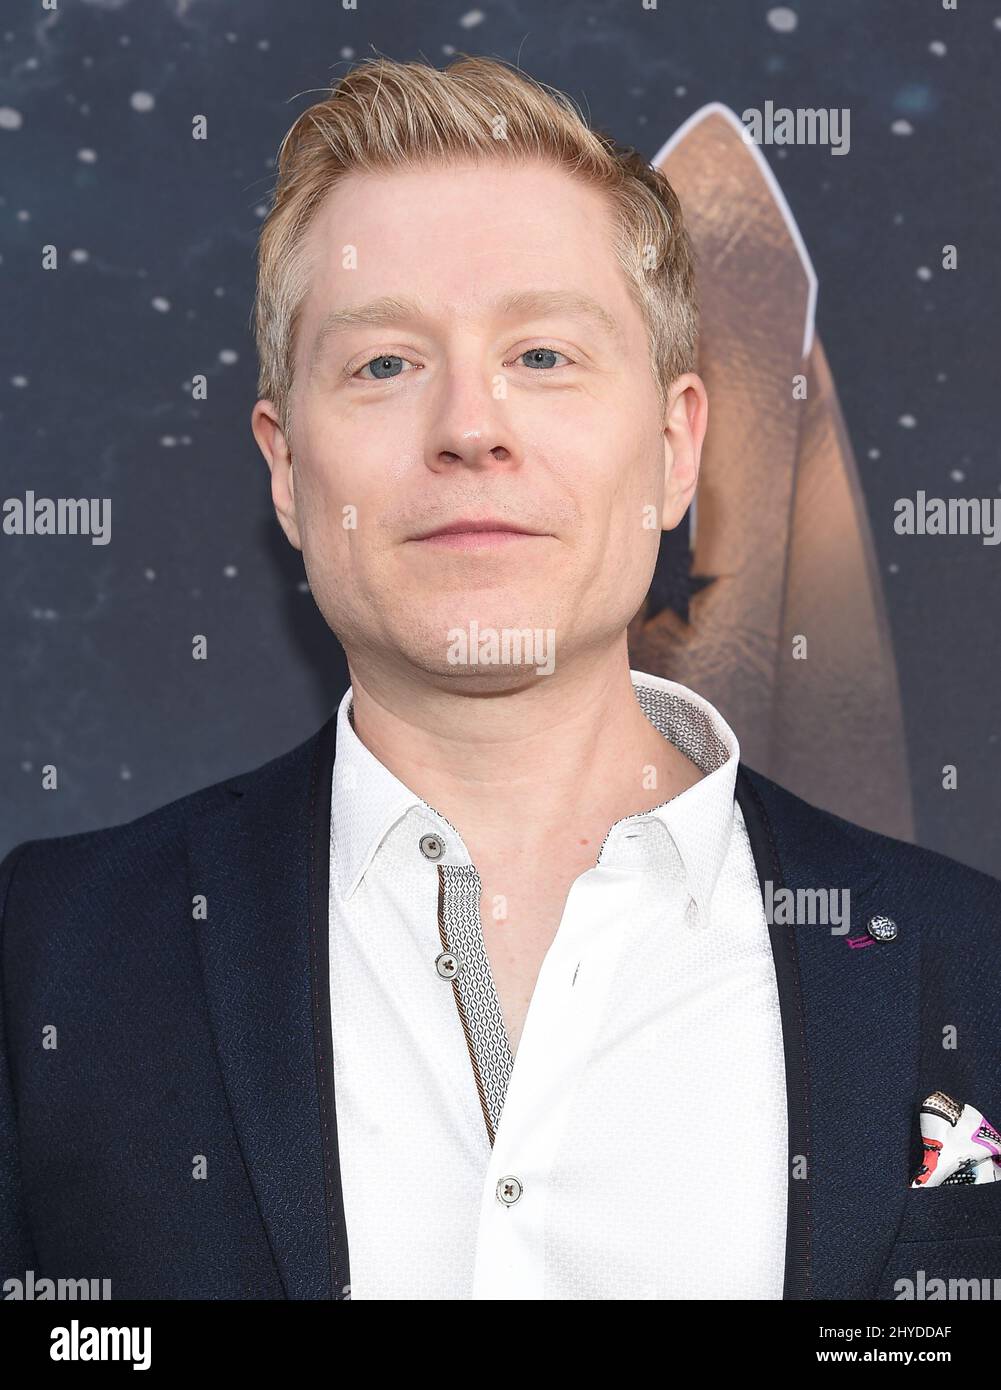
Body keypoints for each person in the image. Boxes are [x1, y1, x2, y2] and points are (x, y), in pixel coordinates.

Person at [2, 56, 999, 1303]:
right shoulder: (44, 959)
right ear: (286, 469)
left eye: (540, 354)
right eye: (381, 365)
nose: (470, 425)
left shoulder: (972, 966)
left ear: (676, 445)